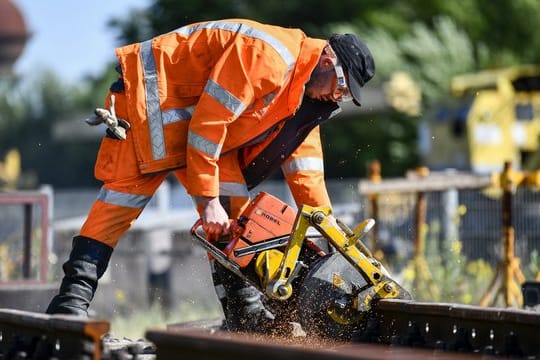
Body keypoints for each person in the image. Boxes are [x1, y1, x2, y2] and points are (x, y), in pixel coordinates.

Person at [46, 18, 375, 333]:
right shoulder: (269, 57)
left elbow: (306, 171)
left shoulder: (299, 94)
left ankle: (243, 314)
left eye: (344, 98)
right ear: (328, 61)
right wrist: (207, 200)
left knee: (236, 216)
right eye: (342, 88)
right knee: (120, 203)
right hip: (146, 101)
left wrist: (329, 232)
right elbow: (208, 125)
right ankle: (69, 305)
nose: (336, 98)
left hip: (190, 123)